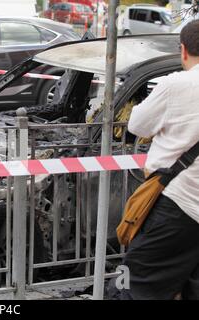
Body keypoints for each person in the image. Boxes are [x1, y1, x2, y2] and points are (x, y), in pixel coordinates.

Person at [116, 20, 199, 300]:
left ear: (183, 50)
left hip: (177, 204)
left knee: (131, 285)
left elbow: (137, 125)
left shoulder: (176, 84)